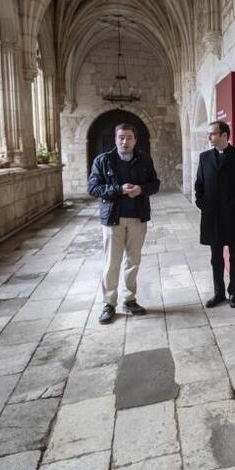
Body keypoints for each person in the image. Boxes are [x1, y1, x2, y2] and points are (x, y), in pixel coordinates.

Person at [87, 123, 160, 324]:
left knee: (133, 261)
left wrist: (141, 190)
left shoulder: (144, 159)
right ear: (115, 139)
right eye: (120, 137)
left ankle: (129, 299)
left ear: (135, 140)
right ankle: (109, 304)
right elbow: (93, 188)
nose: (124, 141)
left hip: (137, 217)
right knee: (112, 263)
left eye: (128, 137)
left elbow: (155, 184)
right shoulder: (103, 160)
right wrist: (118, 189)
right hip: (113, 219)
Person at [195, 120, 235, 308]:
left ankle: (234, 293)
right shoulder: (204, 157)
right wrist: (202, 204)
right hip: (212, 216)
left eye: (213, 133)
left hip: (233, 214)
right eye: (209, 134)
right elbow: (199, 185)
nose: (209, 137)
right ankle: (218, 293)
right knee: (215, 258)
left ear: (224, 135)